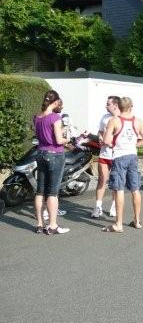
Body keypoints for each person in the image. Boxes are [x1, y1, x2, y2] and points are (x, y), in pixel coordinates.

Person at [102, 97, 143, 232]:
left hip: (119, 156)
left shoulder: (114, 120)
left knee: (119, 189)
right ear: (131, 107)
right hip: (132, 156)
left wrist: (114, 143)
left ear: (118, 107)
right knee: (135, 189)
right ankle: (137, 220)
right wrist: (133, 144)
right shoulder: (138, 121)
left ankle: (118, 224)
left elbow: (106, 141)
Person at [33, 90, 72, 234]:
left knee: (40, 191)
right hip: (55, 154)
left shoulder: (37, 117)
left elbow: (39, 136)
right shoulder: (55, 117)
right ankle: (53, 225)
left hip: (40, 153)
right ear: (55, 102)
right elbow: (59, 140)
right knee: (52, 192)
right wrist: (68, 139)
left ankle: (39, 224)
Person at [92, 95, 120, 218]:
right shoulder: (105, 117)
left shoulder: (121, 118)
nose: (106, 106)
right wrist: (99, 136)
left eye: (108, 104)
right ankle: (98, 207)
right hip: (104, 154)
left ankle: (113, 206)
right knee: (102, 179)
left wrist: (112, 143)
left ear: (115, 105)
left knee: (115, 182)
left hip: (116, 155)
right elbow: (100, 131)